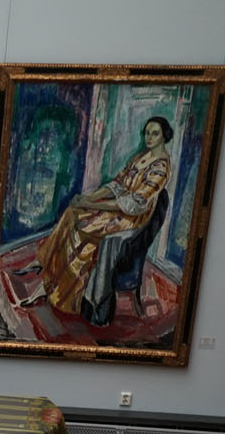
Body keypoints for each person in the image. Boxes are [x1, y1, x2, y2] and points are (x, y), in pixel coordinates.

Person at [15, 117, 176, 318]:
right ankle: (45, 261)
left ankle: (53, 289)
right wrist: (88, 198)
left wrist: (92, 205)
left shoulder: (161, 168)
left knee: (83, 230)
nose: (149, 137)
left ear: (164, 136)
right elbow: (116, 185)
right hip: (117, 208)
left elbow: (133, 203)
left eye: (155, 133)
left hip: (130, 217)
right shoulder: (141, 157)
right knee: (72, 212)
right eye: (147, 133)